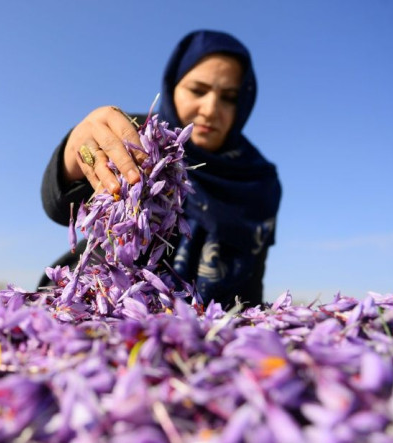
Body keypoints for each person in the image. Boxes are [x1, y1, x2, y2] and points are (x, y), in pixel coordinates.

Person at [40, 30, 282, 309]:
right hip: (93, 304)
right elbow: (59, 207)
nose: (211, 109)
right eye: (198, 90)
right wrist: (76, 150)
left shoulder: (257, 179)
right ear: (173, 85)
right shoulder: (134, 135)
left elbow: (251, 276)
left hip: (203, 328)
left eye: (229, 97)